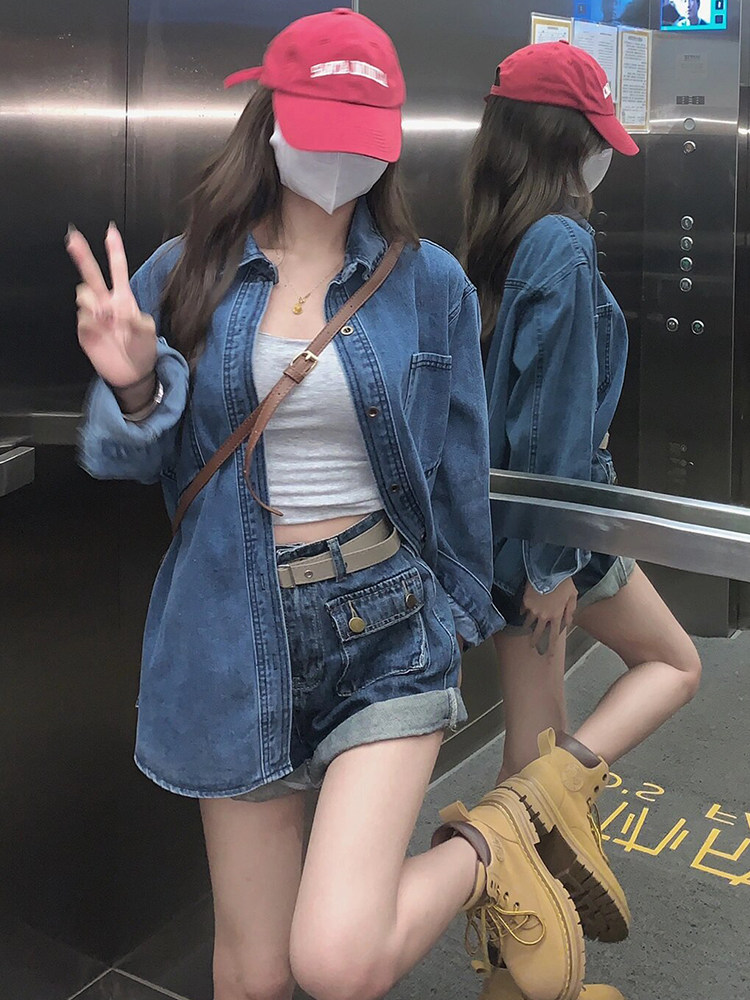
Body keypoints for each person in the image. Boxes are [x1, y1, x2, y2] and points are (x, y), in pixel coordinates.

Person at [66, 11, 601, 1000]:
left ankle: (498, 839)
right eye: (321, 128)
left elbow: (457, 469)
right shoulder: (185, 272)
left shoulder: (429, 284)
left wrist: (465, 609)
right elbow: (125, 460)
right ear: (269, 119)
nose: (339, 159)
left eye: (362, 135)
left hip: (383, 620)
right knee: (255, 973)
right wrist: (136, 384)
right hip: (231, 632)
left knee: (337, 959)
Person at [462, 39, 702, 997]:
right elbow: (552, 419)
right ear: (564, 141)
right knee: (672, 666)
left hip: (503, 527)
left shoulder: (494, 236)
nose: (604, 156)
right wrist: (554, 564)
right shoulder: (559, 243)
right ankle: (516, 833)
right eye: (597, 137)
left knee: (535, 744)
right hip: (550, 533)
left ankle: (518, 977)